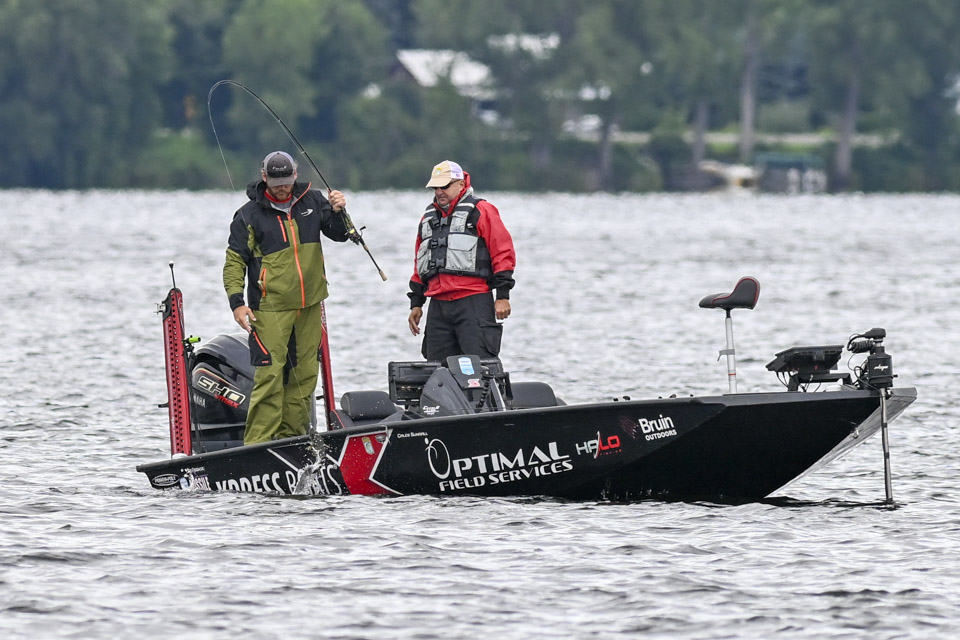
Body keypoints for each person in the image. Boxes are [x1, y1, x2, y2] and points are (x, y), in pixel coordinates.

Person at [223, 151, 350, 445]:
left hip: (310, 305)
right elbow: (234, 262)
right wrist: (237, 303)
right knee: (269, 377)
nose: (282, 188)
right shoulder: (248, 215)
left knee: (305, 376)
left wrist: (338, 211)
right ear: (264, 177)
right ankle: (258, 444)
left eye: (287, 181)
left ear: (295, 174)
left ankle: (294, 441)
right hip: (269, 308)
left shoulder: (313, 200)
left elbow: (341, 234)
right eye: (276, 182)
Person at [407, 160, 516, 362]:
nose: (439, 192)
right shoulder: (428, 219)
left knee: (481, 367)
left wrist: (503, 295)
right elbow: (420, 263)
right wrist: (417, 303)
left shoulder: (482, 210)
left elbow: (502, 252)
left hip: (473, 302)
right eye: (435, 187)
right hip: (438, 306)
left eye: (445, 186)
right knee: (437, 370)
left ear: (461, 184)